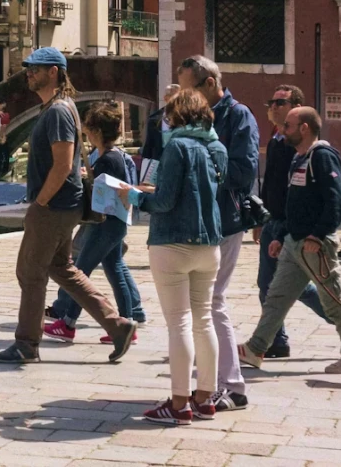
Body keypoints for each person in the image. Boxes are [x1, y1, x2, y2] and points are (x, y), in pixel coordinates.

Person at [0, 47, 137, 365]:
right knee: (62, 268)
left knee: (29, 272)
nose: (28, 73)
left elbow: (63, 164)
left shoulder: (57, 111)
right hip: (63, 205)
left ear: (54, 71)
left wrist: (40, 202)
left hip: (53, 206)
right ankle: (117, 324)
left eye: (35, 69)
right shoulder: (58, 108)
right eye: (28, 69)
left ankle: (26, 344)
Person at [116, 88, 228, 425]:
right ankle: (205, 398)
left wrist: (133, 196)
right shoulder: (217, 147)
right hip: (209, 244)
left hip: (173, 243)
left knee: (179, 323)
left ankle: (179, 404)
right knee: (203, 320)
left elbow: (164, 202)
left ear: (178, 116)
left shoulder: (178, 146)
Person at [238, 107, 341, 376]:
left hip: (314, 245)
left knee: (332, 299)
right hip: (294, 243)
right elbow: (297, 205)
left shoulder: (322, 157)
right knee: (276, 297)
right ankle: (256, 348)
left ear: (304, 128)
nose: (283, 130)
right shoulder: (300, 159)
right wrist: (283, 237)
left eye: (288, 125)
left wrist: (317, 236)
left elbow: (335, 202)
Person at [173, 56, 256, 406]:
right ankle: (213, 382)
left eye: (187, 89)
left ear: (209, 85)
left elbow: (244, 173)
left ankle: (231, 386)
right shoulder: (191, 119)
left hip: (223, 220)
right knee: (200, 305)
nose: (182, 98)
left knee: (212, 301)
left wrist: (196, 164)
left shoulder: (238, 116)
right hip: (199, 223)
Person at [44, 101, 145, 343]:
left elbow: (105, 187)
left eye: (89, 130)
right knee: (115, 269)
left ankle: (68, 323)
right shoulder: (111, 156)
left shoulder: (109, 159)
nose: (87, 134)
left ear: (97, 132)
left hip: (104, 224)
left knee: (81, 272)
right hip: (115, 223)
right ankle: (127, 324)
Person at [256, 85, 329, 359]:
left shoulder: (298, 145)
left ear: (296, 107)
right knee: (267, 285)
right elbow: (271, 183)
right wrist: (260, 220)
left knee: (296, 287)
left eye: (280, 102)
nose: (273, 107)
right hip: (272, 222)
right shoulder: (276, 140)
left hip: (290, 225)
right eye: (271, 102)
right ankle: (278, 340)